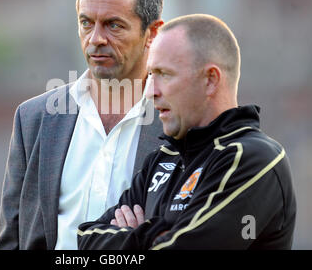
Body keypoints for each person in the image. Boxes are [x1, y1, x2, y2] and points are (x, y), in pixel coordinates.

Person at [77, 14, 297, 249]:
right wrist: (157, 233)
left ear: (210, 80)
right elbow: (86, 238)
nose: (150, 90)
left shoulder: (253, 159)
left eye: (164, 74)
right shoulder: (162, 158)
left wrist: (133, 234)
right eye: (150, 74)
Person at [0, 0, 165, 249]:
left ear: (152, 33)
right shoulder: (34, 119)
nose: (96, 39)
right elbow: (12, 237)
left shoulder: (180, 122)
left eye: (113, 25)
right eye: (86, 23)